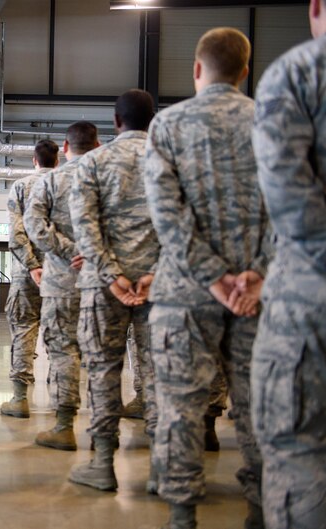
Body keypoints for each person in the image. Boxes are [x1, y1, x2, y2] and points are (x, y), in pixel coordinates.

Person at [146, 28, 271, 529]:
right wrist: (255, 274)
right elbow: (296, 205)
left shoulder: (167, 126)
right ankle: (262, 511)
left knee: (180, 406)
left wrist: (211, 276)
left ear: (196, 70)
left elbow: (166, 214)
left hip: (185, 293)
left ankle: (182, 515)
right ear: (245, 72)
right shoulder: (274, 123)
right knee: (261, 407)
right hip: (259, 296)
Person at [252, 2, 326, 526]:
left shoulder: (299, 74)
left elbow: (291, 206)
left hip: (309, 303)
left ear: (316, 7)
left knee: (299, 451)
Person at [68, 90, 159, 492]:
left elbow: (84, 226)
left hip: (105, 289)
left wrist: (111, 274)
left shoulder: (92, 163)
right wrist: (155, 272)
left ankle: (103, 463)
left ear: (116, 122)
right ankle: (164, 469)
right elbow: (181, 221)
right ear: (152, 120)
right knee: (159, 373)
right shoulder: (168, 160)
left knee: (104, 371)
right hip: (159, 287)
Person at [27, 122, 98, 450]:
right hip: (102, 281)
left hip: (61, 282)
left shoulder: (52, 181)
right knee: (101, 354)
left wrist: (69, 250)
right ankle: (102, 433)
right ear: (97, 145)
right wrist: (94, 252)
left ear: (65, 149)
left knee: (63, 350)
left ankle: (65, 425)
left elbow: (33, 225)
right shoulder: (106, 177)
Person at [0, 139, 59, 418]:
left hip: (26, 274)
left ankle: (20, 398)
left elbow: (16, 234)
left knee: (24, 330)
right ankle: (60, 398)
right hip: (62, 273)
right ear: (57, 160)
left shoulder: (21, 187)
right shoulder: (68, 184)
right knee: (61, 335)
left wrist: (33, 265)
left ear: (34, 160)